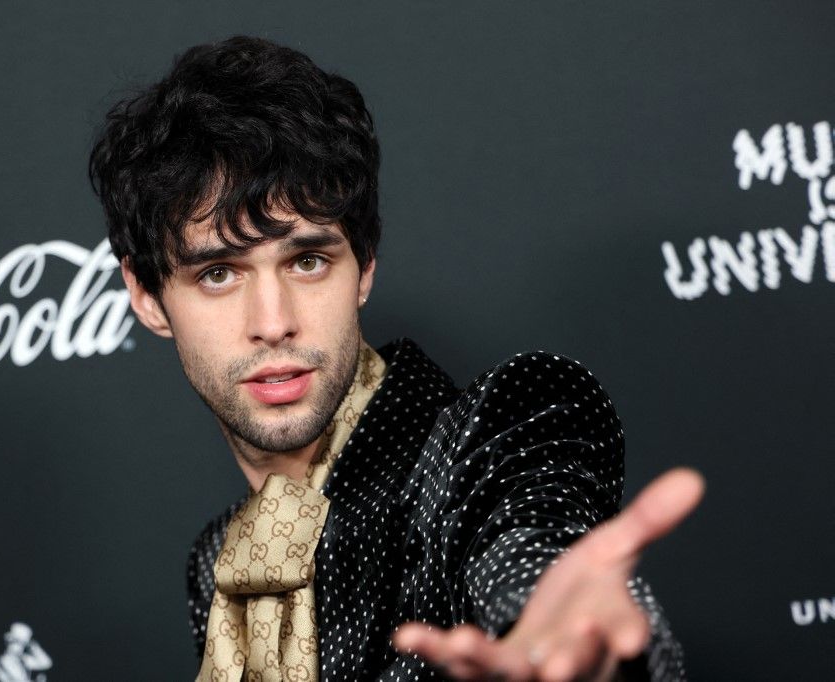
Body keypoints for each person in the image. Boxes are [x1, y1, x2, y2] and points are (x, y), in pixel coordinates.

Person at [88, 36, 704, 682]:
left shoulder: (484, 441)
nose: (272, 323)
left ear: (364, 268)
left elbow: (532, 551)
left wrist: (566, 646)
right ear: (147, 296)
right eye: (218, 273)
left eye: (308, 261)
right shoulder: (224, 558)